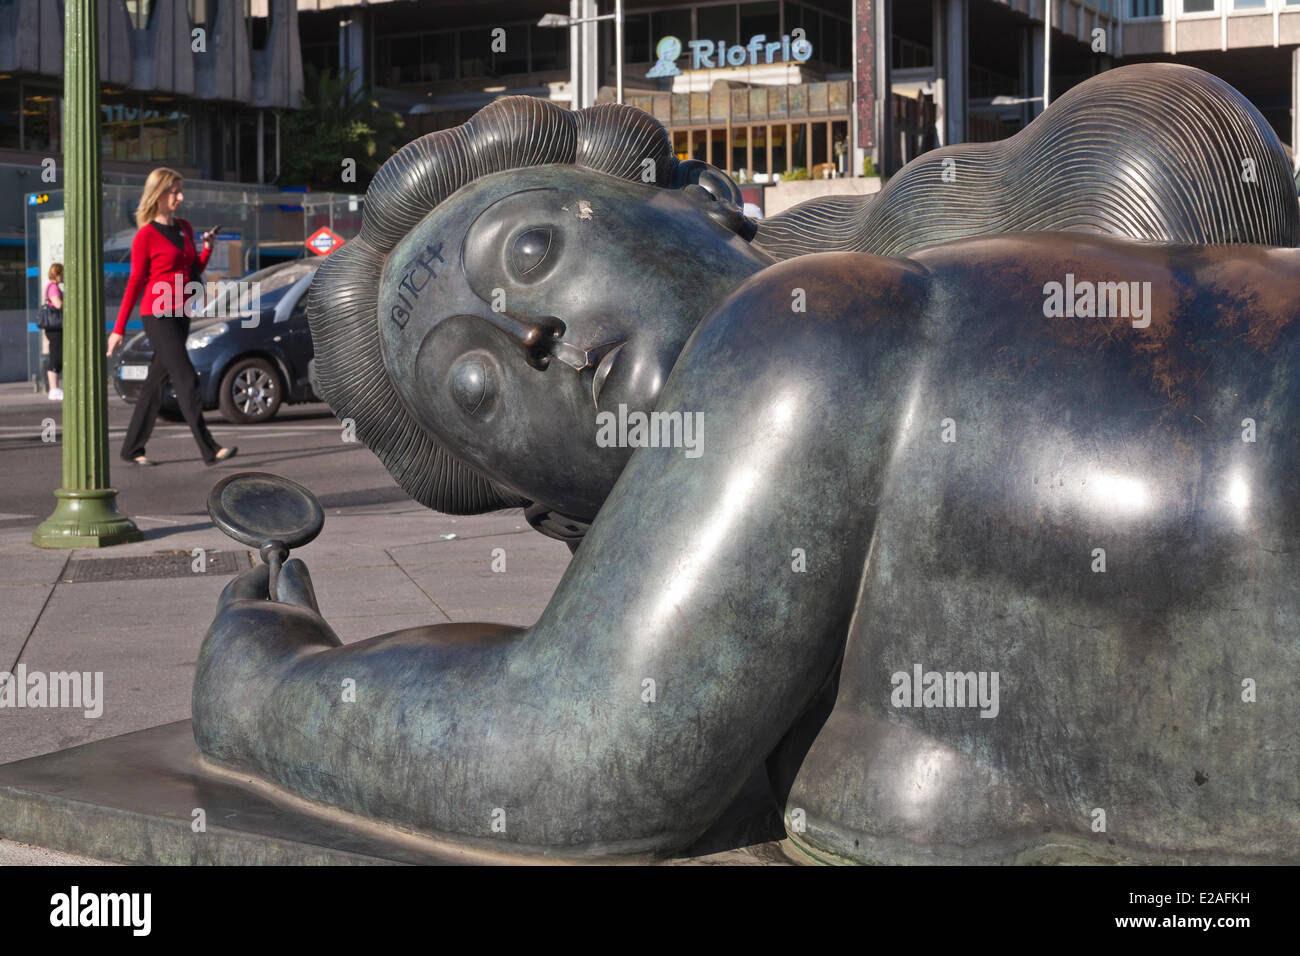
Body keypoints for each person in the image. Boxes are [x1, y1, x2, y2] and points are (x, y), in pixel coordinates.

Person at [195, 74, 1300, 864]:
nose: (532, 337)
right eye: (477, 388)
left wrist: (263, 684)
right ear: (550, 502)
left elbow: (565, 763)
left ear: (701, 207)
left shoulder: (812, 325)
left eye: (533, 251)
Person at [105, 167, 236, 466]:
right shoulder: (146, 236)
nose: (180, 196)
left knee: (155, 383)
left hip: (181, 312)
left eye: (180, 190)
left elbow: (194, 271)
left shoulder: (185, 228)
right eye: (174, 191)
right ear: (159, 194)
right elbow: (135, 282)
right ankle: (209, 448)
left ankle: (131, 448)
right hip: (158, 314)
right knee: (186, 378)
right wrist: (118, 329)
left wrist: (206, 249)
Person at [42, 263, 63, 401]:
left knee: (55, 355)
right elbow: (58, 304)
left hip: (53, 328)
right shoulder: (53, 287)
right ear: (57, 274)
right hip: (55, 328)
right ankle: (53, 389)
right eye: (61, 273)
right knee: (55, 356)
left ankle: (54, 388)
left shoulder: (50, 286)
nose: (63, 276)